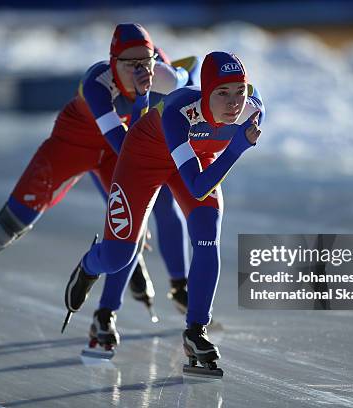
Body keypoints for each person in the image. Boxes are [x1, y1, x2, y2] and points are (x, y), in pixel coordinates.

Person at [0, 23, 197, 352]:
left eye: (145, 63)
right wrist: (145, 101)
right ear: (112, 62)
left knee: (134, 227)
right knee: (4, 229)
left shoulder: (159, 71)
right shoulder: (97, 82)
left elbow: (187, 81)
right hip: (72, 145)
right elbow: (127, 147)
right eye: (129, 64)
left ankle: (106, 313)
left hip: (116, 151)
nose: (140, 72)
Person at [63, 51, 264, 376]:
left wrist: (235, 143)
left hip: (194, 161)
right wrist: (238, 147)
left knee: (207, 238)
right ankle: (92, 272)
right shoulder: (179, 112)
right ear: (205, 91)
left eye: (240, 91)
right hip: (143, 159)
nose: (234, 103)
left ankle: (195, 331)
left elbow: (198, 181)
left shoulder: (254, 112)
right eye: (222, 93)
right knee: (120, 254)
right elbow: (198, 186)